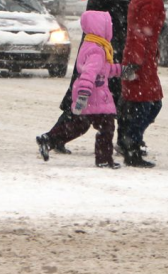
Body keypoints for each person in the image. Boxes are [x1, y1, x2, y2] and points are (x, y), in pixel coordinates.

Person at [39, 0, 136, 155]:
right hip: (103, 53)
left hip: (102, 51)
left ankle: (54, 137)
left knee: (90, 103)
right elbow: (122, 21)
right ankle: (119, 145)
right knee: (96, 103)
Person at [36, 10, 128, 168]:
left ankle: (49, 139)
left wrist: (121, 70)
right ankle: (104, 159)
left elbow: (103, 70)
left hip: (92, 95)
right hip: (95, 96)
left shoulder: (91, 45)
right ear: (101, 28)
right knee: (106, 128)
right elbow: (89, 74)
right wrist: (84, 95)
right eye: (108, 26)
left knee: (79, 125)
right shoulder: (97, 50)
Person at [119, 0, 168, 168]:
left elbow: (140, 33)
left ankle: (129, 141)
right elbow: (140, 34)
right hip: (142, 61)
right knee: (146, 105)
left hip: (141, 59)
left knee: (142, 104)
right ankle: (132, 146)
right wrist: (137, 62)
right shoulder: (152, 1)